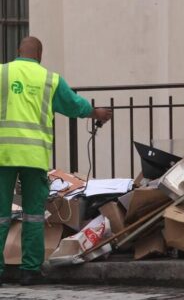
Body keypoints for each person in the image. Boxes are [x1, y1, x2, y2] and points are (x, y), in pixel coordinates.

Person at [0, 36, 112, 286]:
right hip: (34, 156)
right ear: (39, 55)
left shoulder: (2, 73)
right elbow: (74, 105)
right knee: (33, 215)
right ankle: (30, 271)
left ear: (18, 52)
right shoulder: (49, 79)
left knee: (0, 214)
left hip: (3, 155)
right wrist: (97, 113)